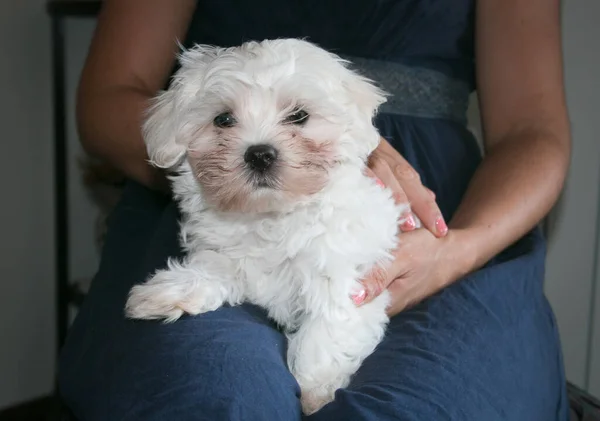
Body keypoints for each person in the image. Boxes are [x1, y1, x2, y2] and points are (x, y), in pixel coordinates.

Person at [58, 0, 572, 420]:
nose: (261, 144)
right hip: (213, 224)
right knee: (215, 393)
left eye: (296, 116)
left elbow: (534, 129)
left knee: (417, 406)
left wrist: (459, 246)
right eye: (226, 119)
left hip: (459, 214)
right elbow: (107, 99)